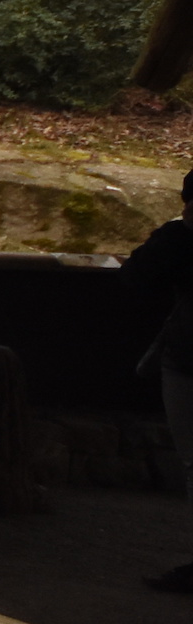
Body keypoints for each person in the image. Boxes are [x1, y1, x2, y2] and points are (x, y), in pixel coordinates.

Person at [121, 175, 193, 593]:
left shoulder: (179, 240)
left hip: (186, 361)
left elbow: (136, 277)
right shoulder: (179, 240)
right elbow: (138, 275)